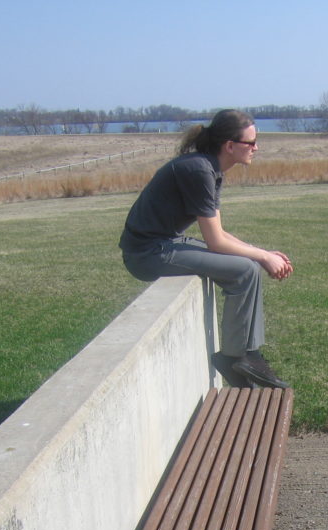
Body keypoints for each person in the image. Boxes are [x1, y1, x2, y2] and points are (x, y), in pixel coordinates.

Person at [120, 109, 292, 389]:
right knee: (244, 271)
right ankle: (236, 357)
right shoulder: (199, 170)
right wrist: (262, 257)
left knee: (249, 268)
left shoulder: (211, 169)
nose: (256, 148)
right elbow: (216, 243)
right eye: (251, 142)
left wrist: (263, 253)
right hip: (147, 254)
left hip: (165, 243)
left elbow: (220, 233)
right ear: (230, 146)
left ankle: (247, 355)